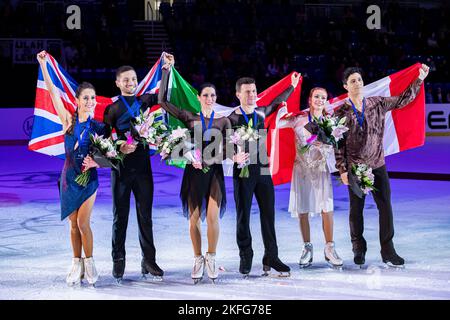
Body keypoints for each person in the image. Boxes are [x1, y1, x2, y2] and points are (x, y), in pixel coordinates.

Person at [335, 64, 429, 267]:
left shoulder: (377, 103)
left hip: (377, 164)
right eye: (353, 81)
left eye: (359, 80)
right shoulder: (341, 111)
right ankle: (358, 248)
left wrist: (419, 79)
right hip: (355, 167)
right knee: (356, 209)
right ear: (345, 86)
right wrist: (342, 169)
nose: (358, 83)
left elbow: (403, 100)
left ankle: (388, 250)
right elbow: (338, 142)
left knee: (385, 207)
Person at [103, 53, 174, 282]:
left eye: (133, 79)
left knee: (146, 216)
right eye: (126, 80)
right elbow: (104, 141)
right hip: (121, 171)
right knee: (119, 217)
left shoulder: (144, 101)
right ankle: (118, 260)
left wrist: (166, 69)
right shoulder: (112, 110)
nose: (131, 83)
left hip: (143, 169)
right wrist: (119, 146)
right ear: (117, 83)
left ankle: (149, 260)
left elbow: (162, 97)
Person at [159, 68, 234, 283]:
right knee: (194, 220)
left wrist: (218, 157)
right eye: (205, 95)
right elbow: (163, 101)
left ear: (216, 98)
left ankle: (211, 257)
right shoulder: (190, 118)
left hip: (214, 174)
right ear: (199, 98)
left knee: (212, 218)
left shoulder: (223, 122)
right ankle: (198, 258)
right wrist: (166, 72)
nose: (209, 98)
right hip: (194, 173)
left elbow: (228, 149)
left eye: (212, 95)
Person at [37, 50, 104, 286]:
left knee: (84, 223)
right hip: (68, 178)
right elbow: (53, 91)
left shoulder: (99, 127)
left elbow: (111, 154)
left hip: (89, 179)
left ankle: (90, 262)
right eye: (85, 98)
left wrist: (98, 161)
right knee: (73, 225)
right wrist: (44, 65)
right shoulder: (68, 120)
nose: (89, 102)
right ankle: (76, 263)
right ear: (77, 100)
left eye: (92, 98)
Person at [228, 73, 300, 277]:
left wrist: (292, 87)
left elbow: (277, 102)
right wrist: (232, 155)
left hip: (263, 170)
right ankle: (246, 254)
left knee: (268, 214)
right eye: (247, 92)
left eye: (253, 91)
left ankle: (271, 256)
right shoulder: (232, 118)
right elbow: (222, 143)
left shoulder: (260, 112)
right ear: (238, 94)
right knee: (243, 215)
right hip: (243, 172)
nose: (251, 94)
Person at [276, 87, 343, 268]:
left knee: (326, 208)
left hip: (321, 170)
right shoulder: (299, 119)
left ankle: (329, 248)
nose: (320, 100)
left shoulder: (330, 121)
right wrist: (283, 110)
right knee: (302, 209)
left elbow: (337, 145)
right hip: (302, 170)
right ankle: (307, 248)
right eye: (316, 96)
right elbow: (276, 123)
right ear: (310, 99)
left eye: (323, 97)